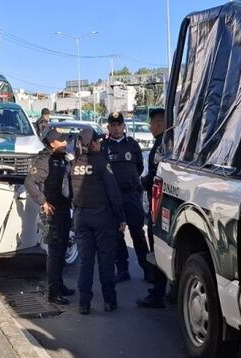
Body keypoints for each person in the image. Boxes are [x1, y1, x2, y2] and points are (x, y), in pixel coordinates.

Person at [70, 128, 125, 315]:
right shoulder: (102, 163)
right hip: (102, 218)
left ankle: (83, 303)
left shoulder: (74, 164)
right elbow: (114, 193)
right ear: (92, 143)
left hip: (80, 217)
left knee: (85, 262)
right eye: (98, 141)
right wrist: (121, 218)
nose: (100, 144)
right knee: (105, 260)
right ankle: (109, 301)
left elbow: (68, 192)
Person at [24, 130, 75, 305]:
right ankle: (53, 292)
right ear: (52, 143)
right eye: (61, 141)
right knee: (54, 253)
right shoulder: (44, 160)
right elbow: (29, 183)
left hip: (64, 210)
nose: (65, 143)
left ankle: (59, 285)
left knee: (62, 251)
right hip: (51, 212)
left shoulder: (63, 158)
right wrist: (43, 202)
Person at [103, 111, 150, 283]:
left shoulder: (132, 144)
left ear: (123, 127)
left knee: (137, 233)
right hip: (113, 198)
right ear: (108, 127)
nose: (116, 128)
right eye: (113, 125)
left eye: (118, 125)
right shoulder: (104, 146)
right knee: (116, 235)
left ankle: (146, 268)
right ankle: (122, 270)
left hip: (131, 195)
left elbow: (139, 167)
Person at [138, 108, 169, 308]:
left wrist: (142, 183)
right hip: (164, 203)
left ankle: (157, 294)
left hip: (158, 205)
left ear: (159, 123)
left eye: (151, 123)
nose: (149, 127)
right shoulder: (170, 141)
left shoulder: (161, 145)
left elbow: (156, 176)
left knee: (157, 247)